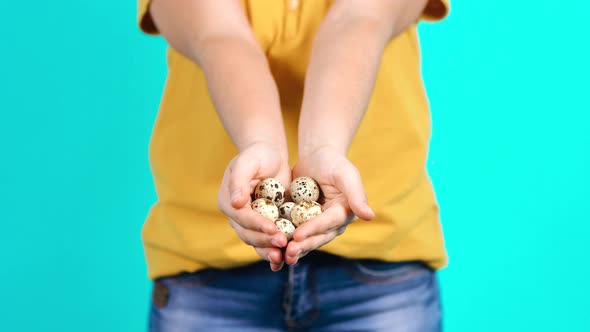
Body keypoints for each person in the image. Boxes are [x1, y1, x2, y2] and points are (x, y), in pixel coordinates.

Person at [138, 0, 449, 331]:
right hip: (207, 261)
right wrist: (261, 144)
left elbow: (362, 18)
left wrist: (323, 146)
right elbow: (217, 33)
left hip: (383, 255)